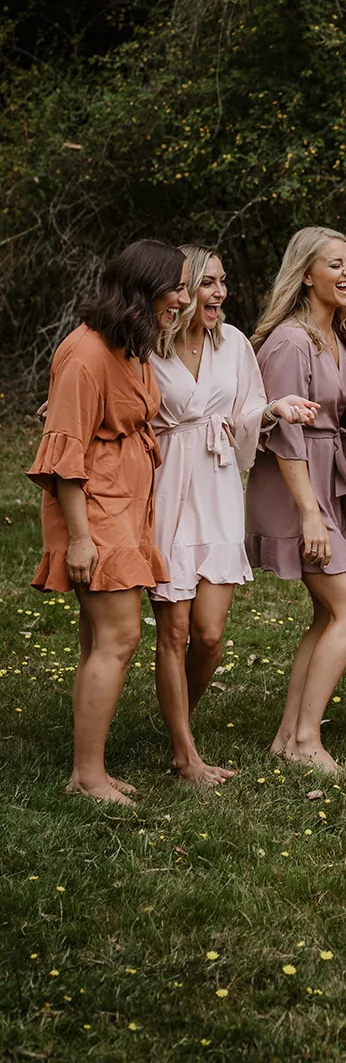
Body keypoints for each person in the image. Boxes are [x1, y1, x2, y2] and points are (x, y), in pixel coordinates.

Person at [29, 239, 190, 804]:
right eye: (179, 287)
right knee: (119, 637)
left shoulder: (132, 345)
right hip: (95, 509)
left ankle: (87, 768)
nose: (186, 299)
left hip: (126, 502)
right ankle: (88, 775)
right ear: (147, 287)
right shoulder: (87, 353)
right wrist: (79, 539)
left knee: (102, 638)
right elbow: (65, 455)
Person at [150, 244, 318, 786]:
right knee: (173, 631)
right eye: (207, 283)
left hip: (219, 489)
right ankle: (184, 753)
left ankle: (178, 723)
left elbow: (248, 408)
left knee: (210, 634)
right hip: (169, 486)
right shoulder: (149, 346)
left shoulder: (236, 344)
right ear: (180, 292)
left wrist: (273, 410)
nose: (219, 293)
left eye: (222, 282)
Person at [245, 227, 346, 774]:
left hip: (326, 480)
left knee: (326, 614)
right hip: (294, 487)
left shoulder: (337, 335)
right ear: (305, 275)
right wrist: (311, 515)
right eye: (334, 265)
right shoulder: (292, 341)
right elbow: (283, 435)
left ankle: (285, 738)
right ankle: (304, 741)